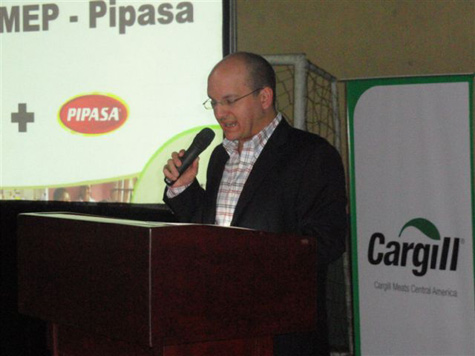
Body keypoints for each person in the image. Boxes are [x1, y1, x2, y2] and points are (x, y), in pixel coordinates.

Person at [163, 52, 347, 356]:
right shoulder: (220, 156)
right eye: (214, 102)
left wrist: (248, 261)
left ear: (264, 97)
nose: (220, 113)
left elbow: (326, 242)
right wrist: (184, 189)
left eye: (230, 100)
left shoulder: (311, 155)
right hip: (219, 328)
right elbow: (212, 229)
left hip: (279, 333)